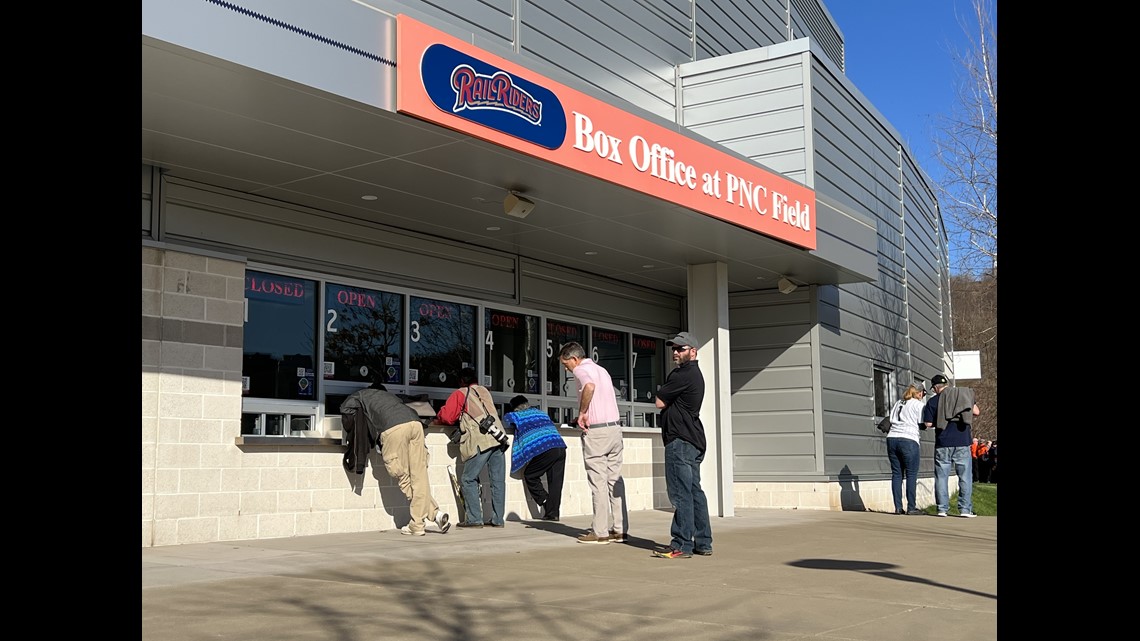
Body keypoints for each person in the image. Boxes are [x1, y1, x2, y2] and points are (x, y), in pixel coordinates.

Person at [340, 378, 450, 536]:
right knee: (419, 477)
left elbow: (346, 408)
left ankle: (418, 524)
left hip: (393, 428)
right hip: (415, 424)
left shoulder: (361, 395)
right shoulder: (393, 398)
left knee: (403, 476)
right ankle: (434, 515)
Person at [652, 332, 713, 559]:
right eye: (674, 349)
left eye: (681, 349)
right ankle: (703, 542)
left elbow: (659, 401)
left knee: (680, 493)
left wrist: (665, 394)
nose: (676, 353)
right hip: (693, 440)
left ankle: (681, 544)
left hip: (680, 441)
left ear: (693, 351)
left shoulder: (683, 374)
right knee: (695, 492)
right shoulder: (694, 374)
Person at [559, 341, 627, 544]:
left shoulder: (581, 370)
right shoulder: (601, 369)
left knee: (598, 481)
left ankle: (600, 531)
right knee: (614, 480)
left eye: (566, 364)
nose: (566, 369)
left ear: (574, 359)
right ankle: (620, 529)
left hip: (597, 433)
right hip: (614, 429)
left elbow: (589, 386)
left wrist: (582, 413)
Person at [435, 368, 507, 529]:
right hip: (498, 437)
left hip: (480, 440)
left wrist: (438, 415)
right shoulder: (484, 391)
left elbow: (447, 417)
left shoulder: (460, 393)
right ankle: (498, 519)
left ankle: (474, 519)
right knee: (497, 481)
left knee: (468, 479)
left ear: (461, 380)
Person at [922, 373, 981, 518]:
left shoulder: (933, 401)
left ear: (936, 388)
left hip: (943, 442)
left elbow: (928, 424)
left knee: (941, 477)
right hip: (962, 440)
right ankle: (965, 510)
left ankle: (942, 509)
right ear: (946, 384)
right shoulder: (962, 396)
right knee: (965, 477)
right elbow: (976, 412)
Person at [503, 395, 567, 521]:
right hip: (560, 446)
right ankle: (553, 513)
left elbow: (506, 419)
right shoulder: (541, 413)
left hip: (546, 448)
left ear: (515, 409)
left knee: (530, 475)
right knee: (555, 483)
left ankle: (546, 503)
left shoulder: (517, 415)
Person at [885, 384, 927, 516]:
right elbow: (922, 424)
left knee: (897, 474)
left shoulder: (898, 402)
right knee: (911, 474)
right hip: (909, 438)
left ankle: (898, 507)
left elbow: (891, 419)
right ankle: (911, 507)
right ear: (919, 393)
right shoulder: (918, 405)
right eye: (923, 394)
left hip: (892, 437)